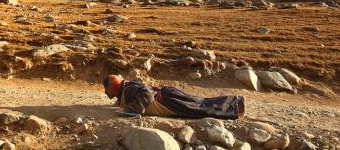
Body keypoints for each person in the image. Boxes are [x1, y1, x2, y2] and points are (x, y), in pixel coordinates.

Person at [103, 75, 245, 119]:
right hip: (168, 95)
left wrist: (132, 109)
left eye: (106, 89)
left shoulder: (128, 90)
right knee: (201, 103)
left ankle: (236, 105)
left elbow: (145, 93)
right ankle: (235, 102)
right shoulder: (126, 89)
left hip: (168, 101)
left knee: (200, 108)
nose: (105, 92)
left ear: (113, 88)